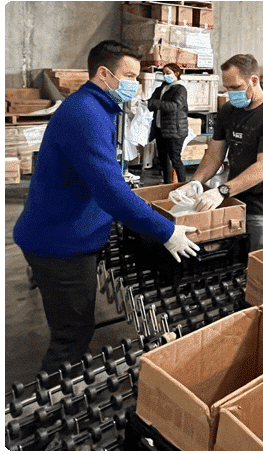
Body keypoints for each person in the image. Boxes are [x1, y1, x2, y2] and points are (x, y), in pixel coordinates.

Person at [12, 40, 199, 374]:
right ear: (104, 74)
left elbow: (100, 178)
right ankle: (49, 409)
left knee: (72, 320)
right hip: (62, 245)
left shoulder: (94, 107)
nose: (135, 85)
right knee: (72, 335)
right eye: (129, 76)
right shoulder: (86, 114)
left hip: (61, 229)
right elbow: (111, 194)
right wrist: (167, 231)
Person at [173, 54, 263, 252]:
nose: (231, 94)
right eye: (227, 88)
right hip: (236, 199)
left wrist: (222, 191)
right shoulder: (228, 110)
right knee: (234, 258)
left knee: (256, 262)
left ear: (254, 81)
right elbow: (214, 154)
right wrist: (196, 182)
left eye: (236, 88)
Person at [148, 63, 189, 183]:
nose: (165, 76)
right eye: (164, 73)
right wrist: (149, 103)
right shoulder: (163, 88)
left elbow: (175, 106)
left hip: (175, 131)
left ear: (176, 73)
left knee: (175, 159)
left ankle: (183, 184)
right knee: (163, 159)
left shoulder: (180, 89)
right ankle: (166, 184)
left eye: (168, 73)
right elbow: (151, 101)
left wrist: (155, 103)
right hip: (161, 129)